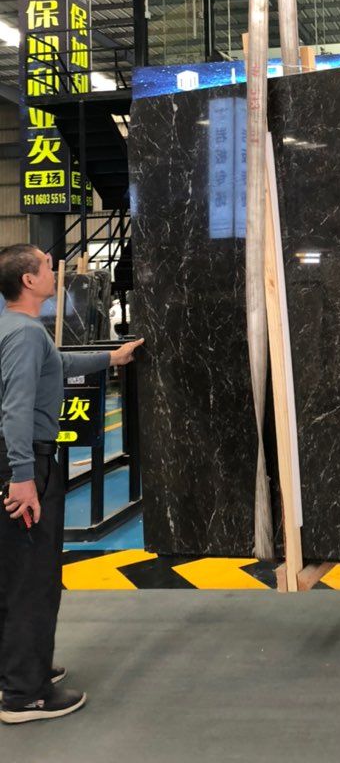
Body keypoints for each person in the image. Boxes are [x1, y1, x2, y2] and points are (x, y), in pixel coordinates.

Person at [0, 245, 143, 724]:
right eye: (44, 264)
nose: (52, 269)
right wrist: (24, 478)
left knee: (12, 573)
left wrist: (112, 357)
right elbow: (17, 409)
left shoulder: (12, 328)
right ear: (28, 281)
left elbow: (57, 365)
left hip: (14, 462)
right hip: (26, 465)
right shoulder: (24, 334)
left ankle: (17, 668)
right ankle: (25, 694)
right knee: (33, 578)